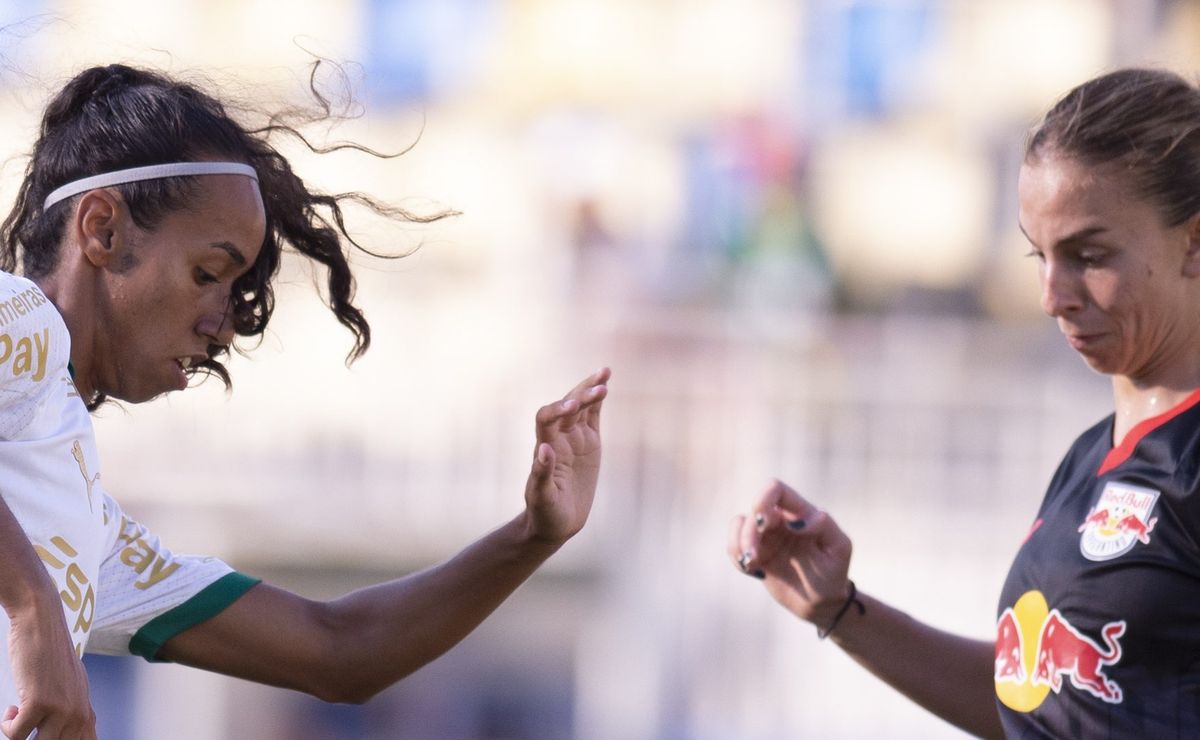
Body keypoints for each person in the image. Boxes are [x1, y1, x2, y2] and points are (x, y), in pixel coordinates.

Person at [0, 63, 610, 740]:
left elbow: (338, 651)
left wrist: (531, 537)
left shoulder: (84, 522)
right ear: (102, 229)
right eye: (207, 273)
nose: (222, 325)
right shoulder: (21, 318)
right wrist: (33, 607)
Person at [728, 66, 1200, 738]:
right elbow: (1037, 708)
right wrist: (839, 609)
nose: (1051, 294)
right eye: (1039, 255)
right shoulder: (1090, 457)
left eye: (1088, 255)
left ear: (1194, 243)